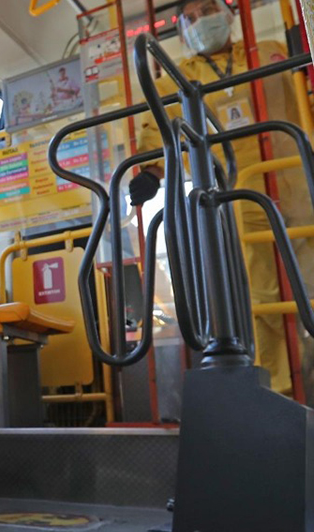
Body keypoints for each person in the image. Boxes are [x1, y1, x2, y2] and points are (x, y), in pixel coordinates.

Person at [130, 0, 314, 395]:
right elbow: (158, 131)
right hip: (239, 201)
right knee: (262, 302)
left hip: (299, 188)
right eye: (191, 18)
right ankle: (281, 392)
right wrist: (150, 173)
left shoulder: (268, 51)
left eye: (209, 9)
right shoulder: (177, 78)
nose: (202, 21)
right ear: (182, 31)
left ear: (229, 13)